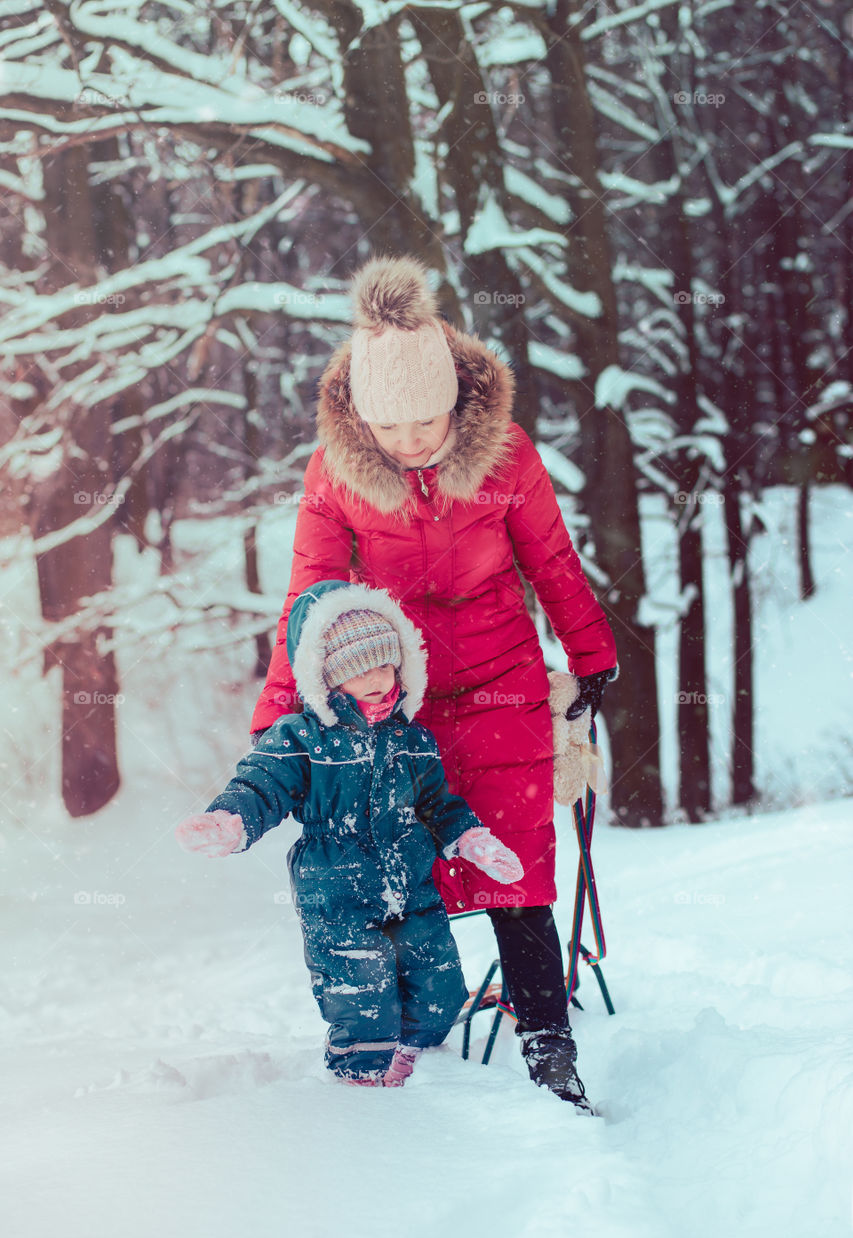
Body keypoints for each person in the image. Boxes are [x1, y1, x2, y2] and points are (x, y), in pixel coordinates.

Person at [250, 256, 618, 1108]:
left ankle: (546, 1039)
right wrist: (278, 710)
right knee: (405, 857)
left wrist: (589, 651)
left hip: (502, 675)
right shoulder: (334, 472)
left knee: (516, 860)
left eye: (429, 420)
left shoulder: (505, 455)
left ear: (457, 398)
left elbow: (550, 559)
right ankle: (406, 1027)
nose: (414, 440)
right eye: (395, 428)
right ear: (363, 421)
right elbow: (307, 595)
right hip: (393, 694)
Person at [176, 579, 523, 1088]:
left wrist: (471, 839)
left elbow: (437, 804)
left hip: (411, 882)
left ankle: (421, 1056)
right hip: (335, 885)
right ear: (328, 677)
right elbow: (262, 784)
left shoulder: (412, 738)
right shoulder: (300, 736)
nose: (379, 678)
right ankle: (360, 1083)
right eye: (361, 669)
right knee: (360, 991)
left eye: (386, 664)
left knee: (440, 986)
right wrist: (233, 821)